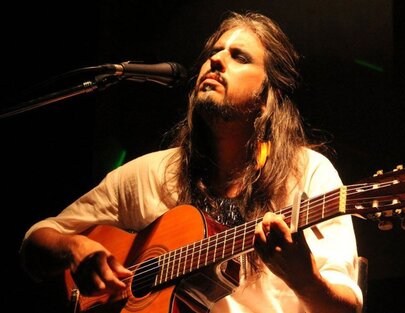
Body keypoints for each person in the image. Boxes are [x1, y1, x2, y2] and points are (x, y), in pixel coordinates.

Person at [20, 11, 363, 313]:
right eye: (214, 53)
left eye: (239, 57)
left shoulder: (308, 172)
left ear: (264, 98)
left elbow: (346, 309)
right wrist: (74, 247)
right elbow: (37, 239)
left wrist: (306, 279)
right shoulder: (148, 174)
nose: (216, 61)